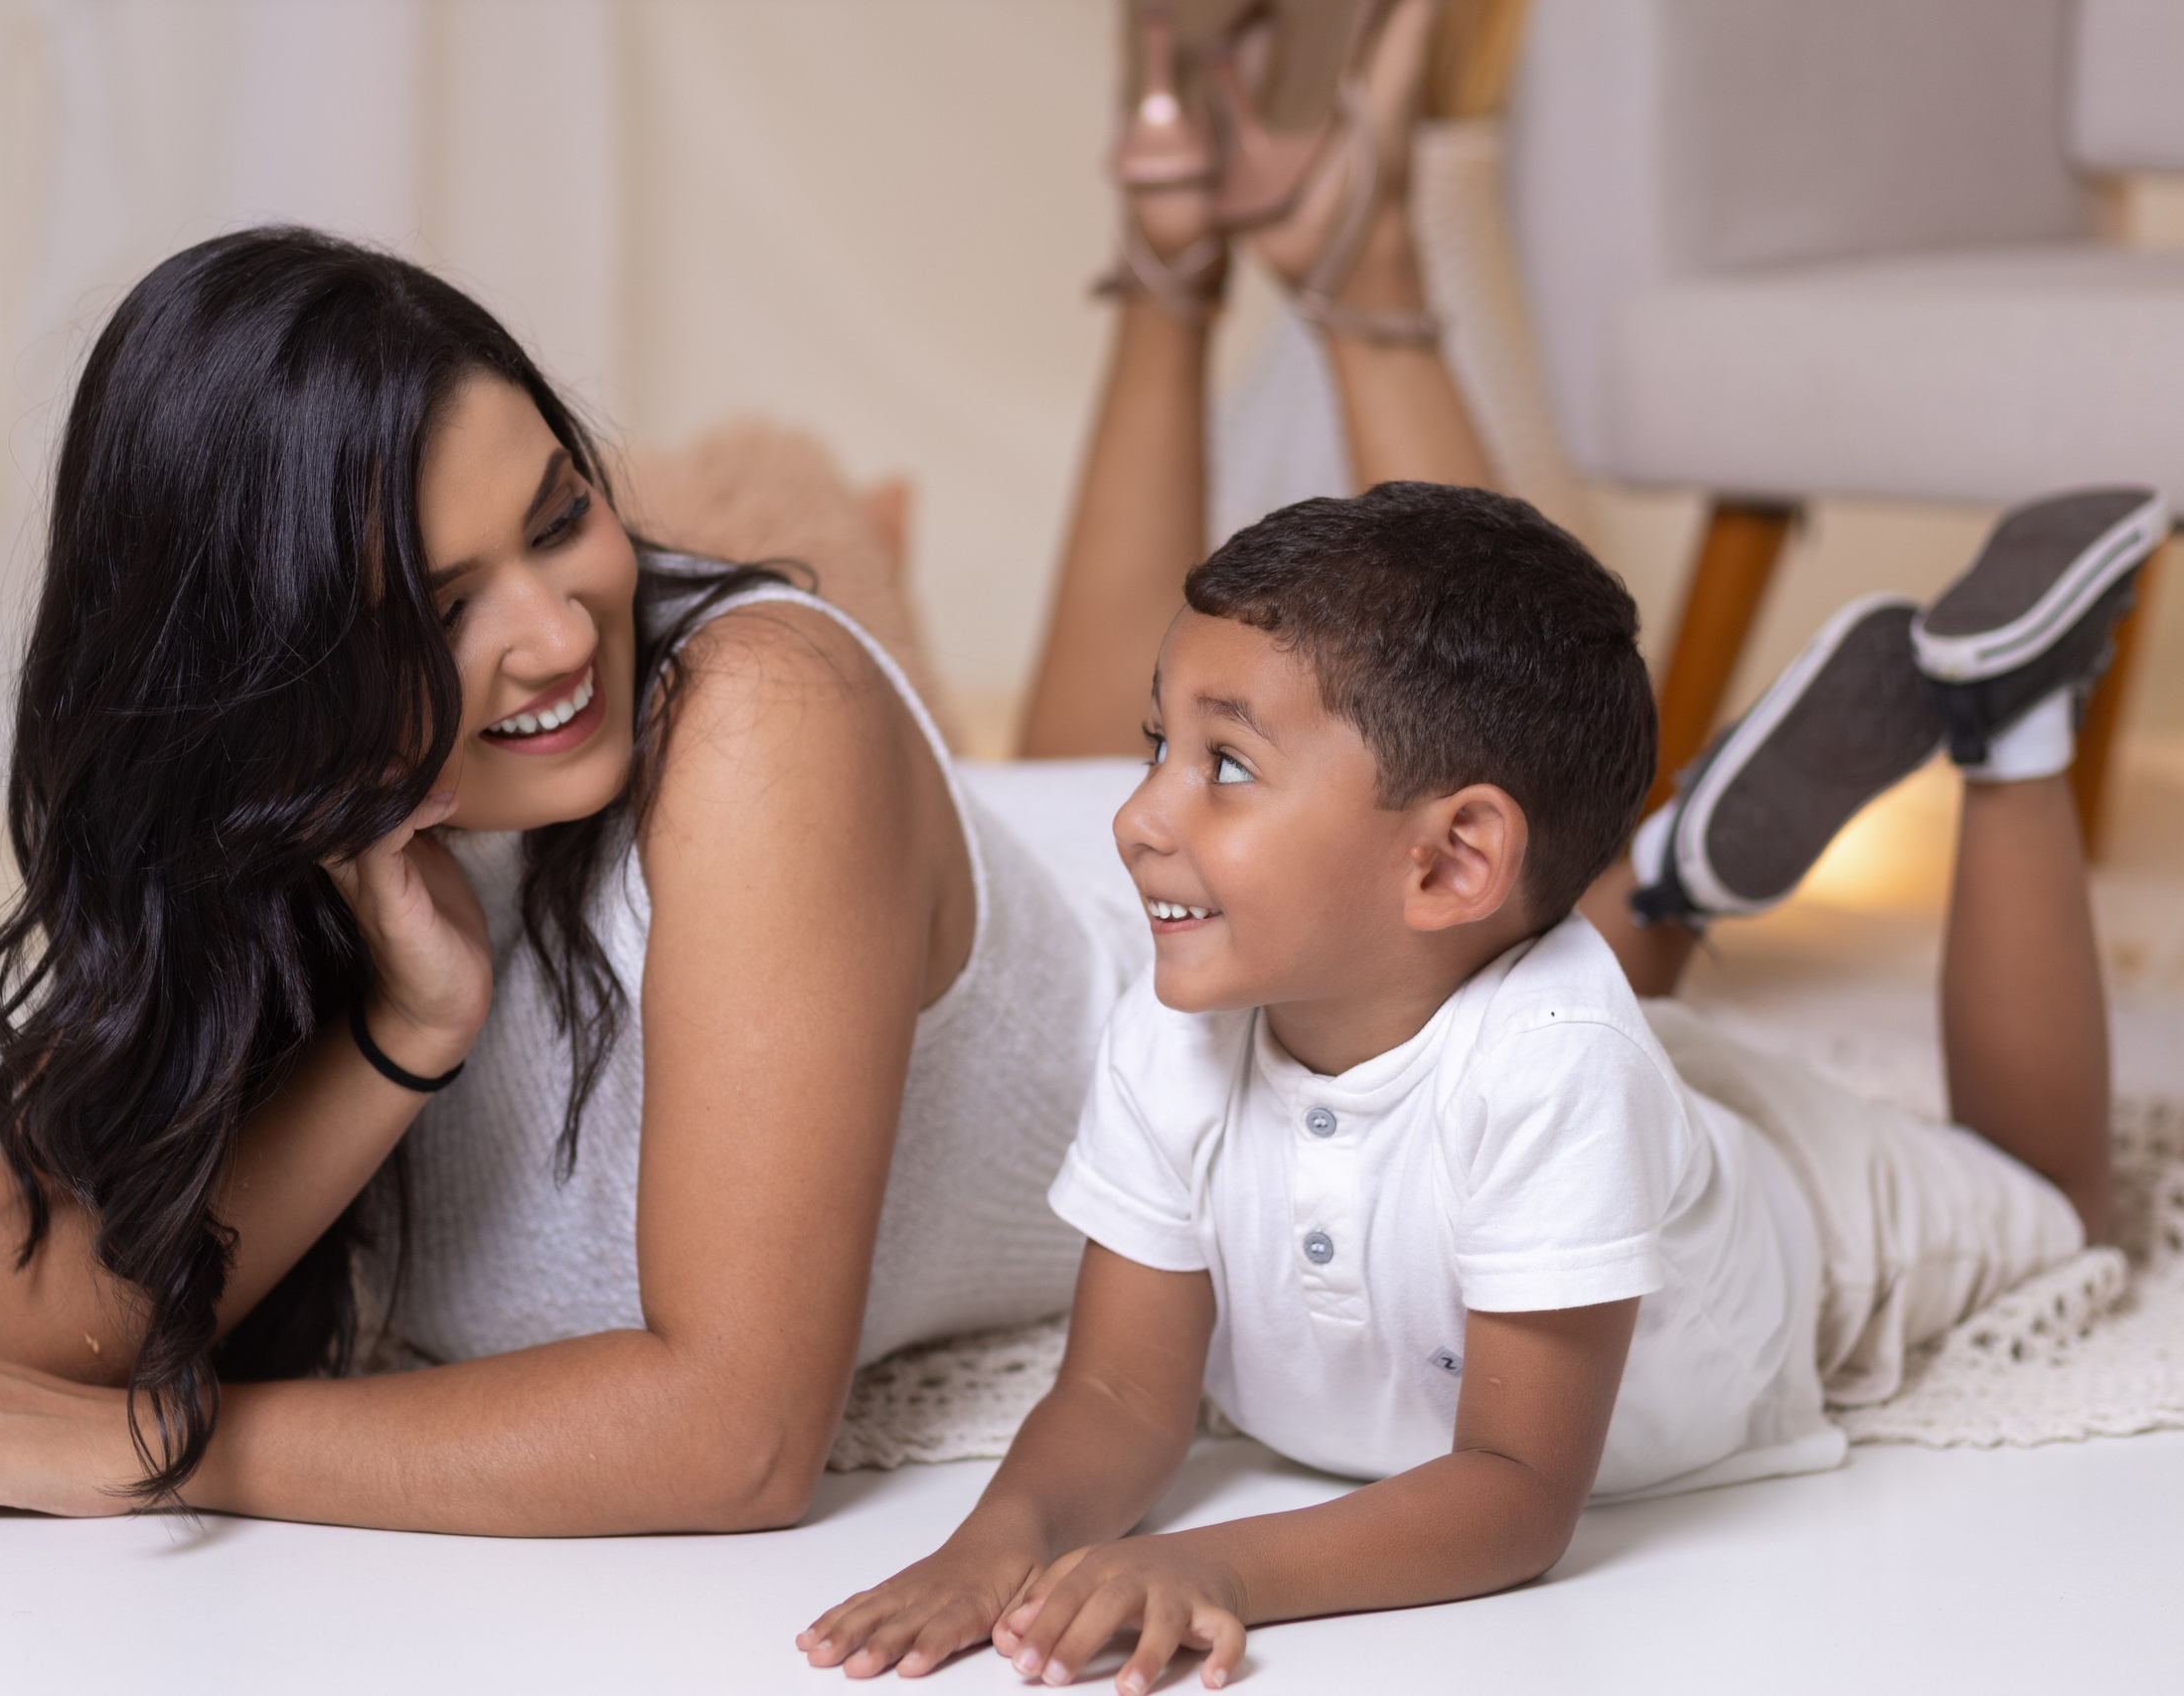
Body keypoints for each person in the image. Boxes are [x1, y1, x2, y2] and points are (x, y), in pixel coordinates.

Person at [0, 0, 1481, 1532]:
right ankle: (1173, 257)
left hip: (1235, 996)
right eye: (441, 604)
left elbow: (738, 1435)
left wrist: (167, 1450)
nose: (557, 634)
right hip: (1014, 848)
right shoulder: (302, 827)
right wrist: (406, 1034)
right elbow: (32, 1325)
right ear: (257, 677)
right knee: (1099, 752)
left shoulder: (757, 724)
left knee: (1537, 912)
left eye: (561, 514)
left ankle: (1360, 252)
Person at [797, 478, 2155, 1691]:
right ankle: (1661, 874)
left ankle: (2007, 723)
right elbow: (1119, 1397)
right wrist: (997, 1546)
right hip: (1538, 1036)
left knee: (2054, 1197)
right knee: (1503, 998)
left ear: (1451, 862)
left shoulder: (1558, 1067)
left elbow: (1515, 1492)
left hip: (1783, 1219)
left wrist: (1220, 1568)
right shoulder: (1184, 1013)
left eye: (1224, 765)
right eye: (1158, 745)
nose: (1140, 816)